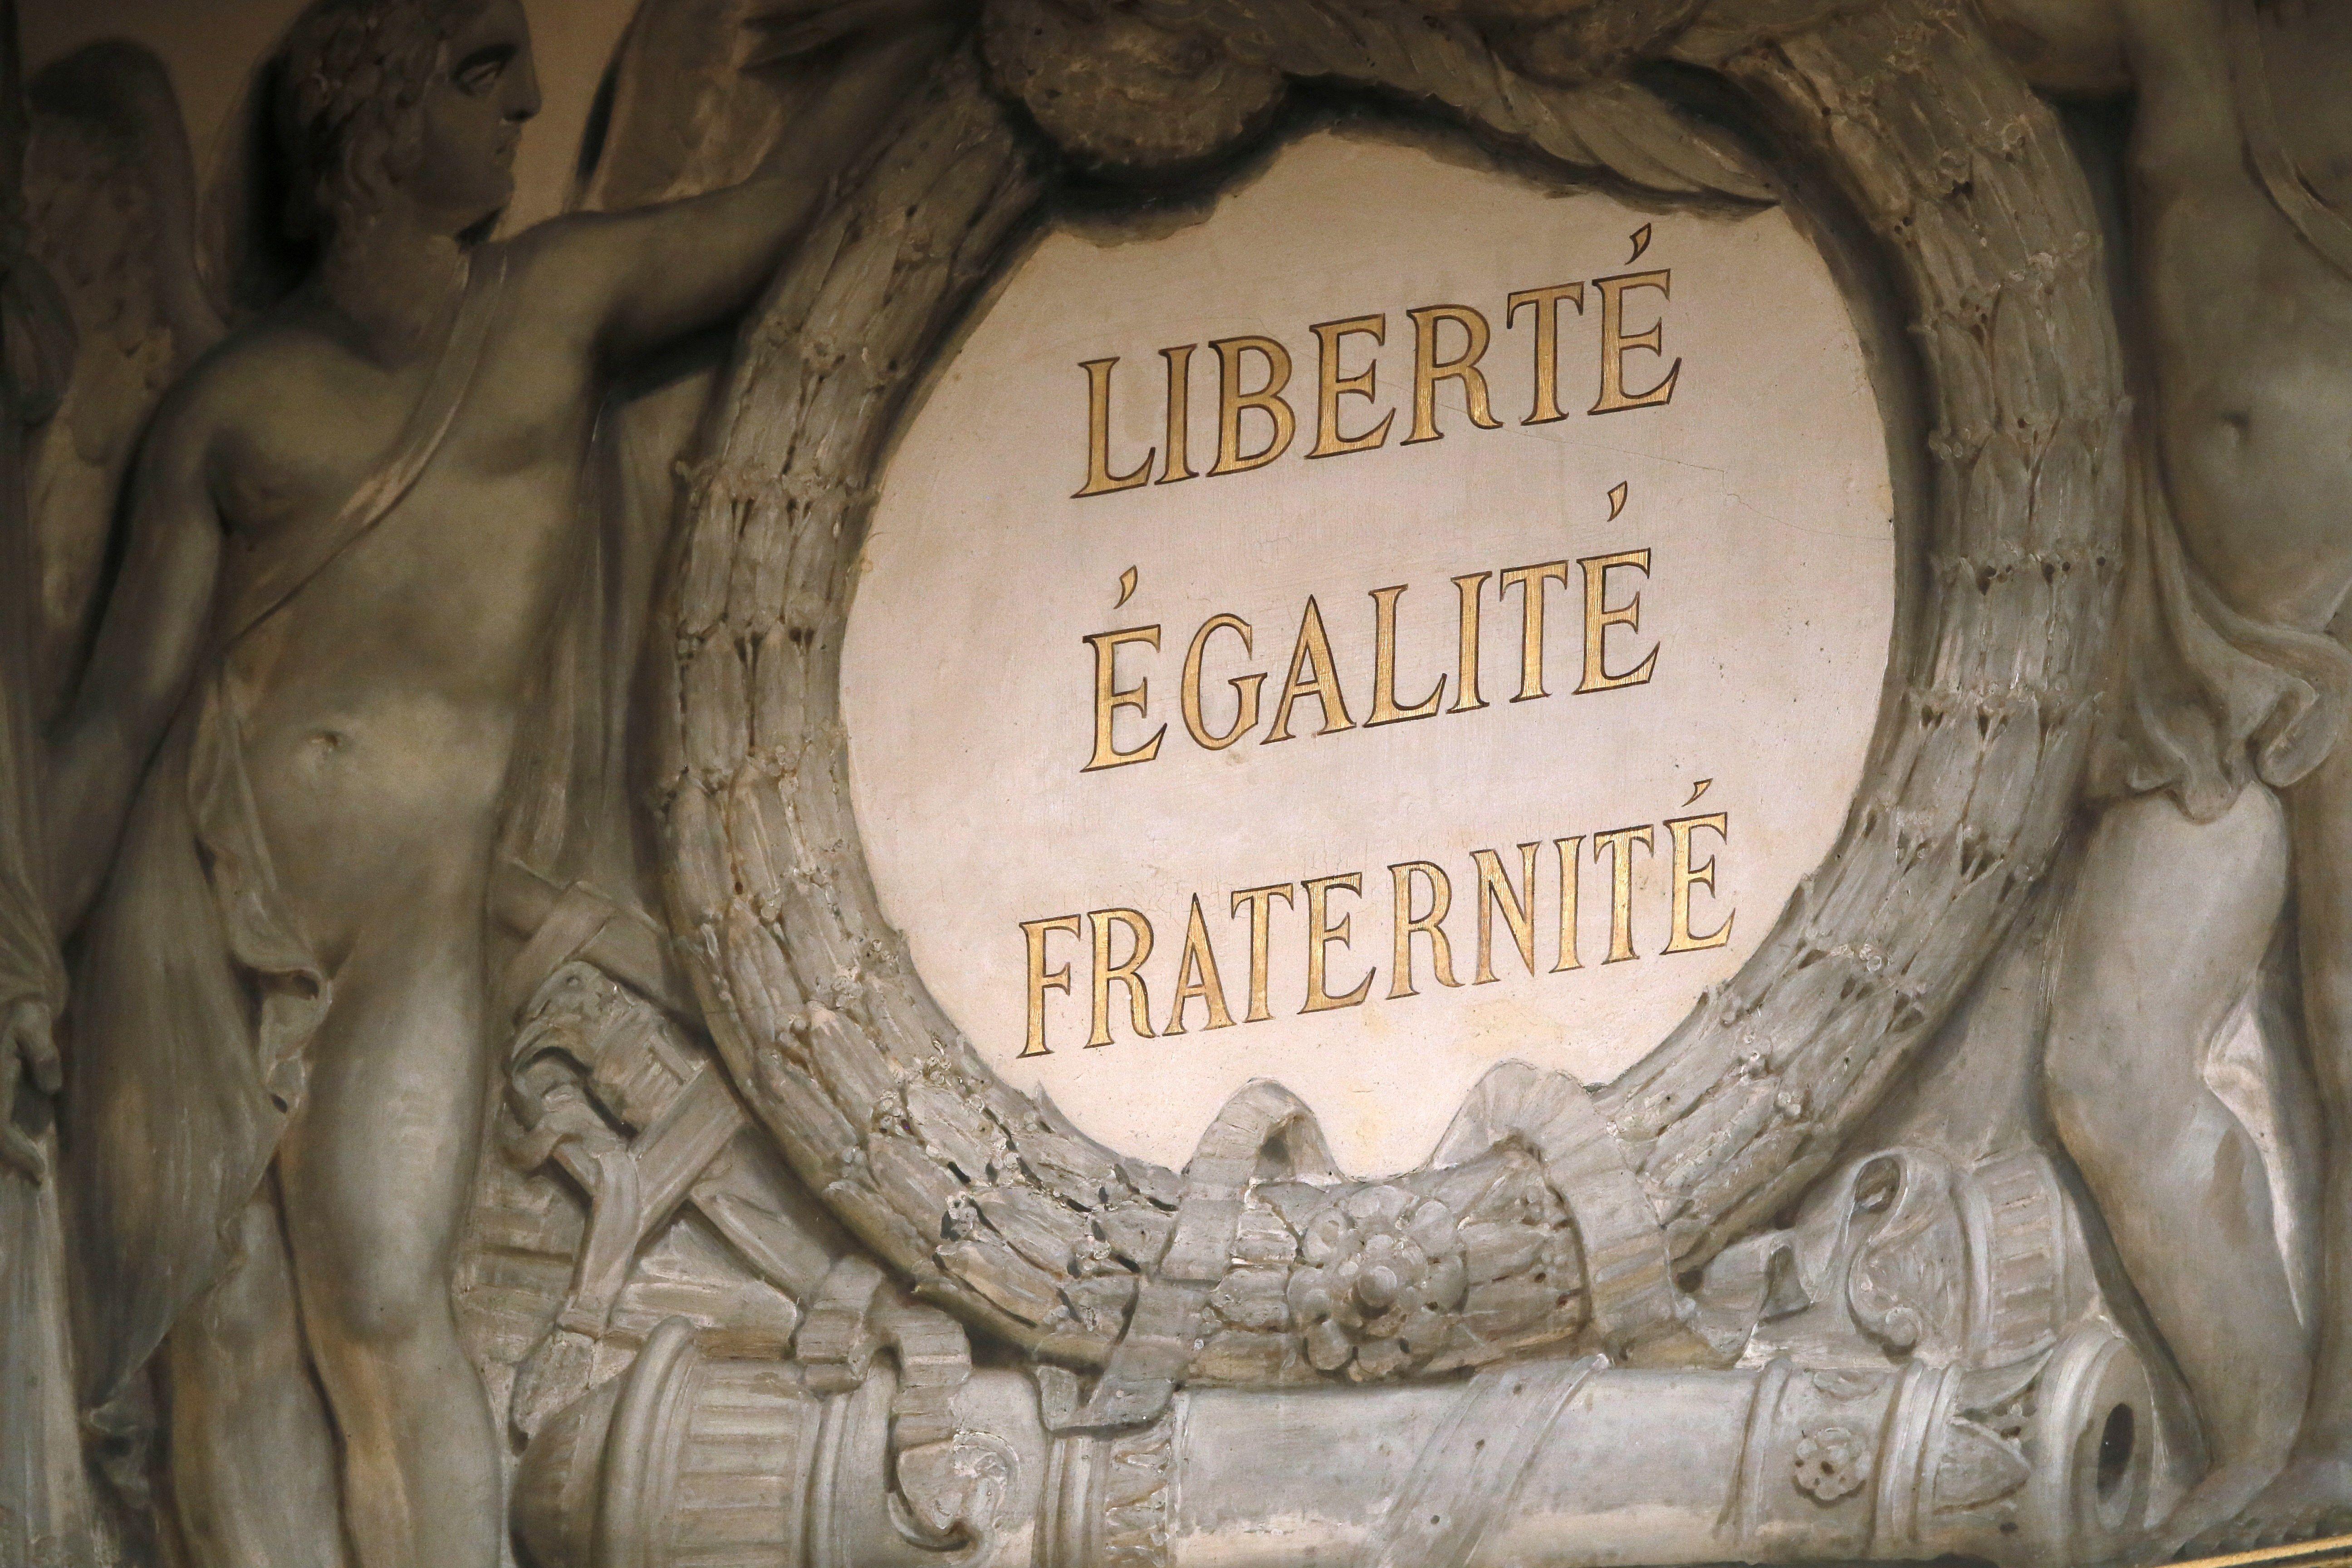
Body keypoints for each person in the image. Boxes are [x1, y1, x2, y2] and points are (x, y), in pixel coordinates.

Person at [39, 1, 948, 1563]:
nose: (529, 104)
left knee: (389, 1309)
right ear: (381, 119)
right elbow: (119, 718)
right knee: (228, 1330)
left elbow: (783, 205)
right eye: (480, 72)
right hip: (195, 915)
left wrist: (939, 29)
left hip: (408, 927)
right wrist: (19, 947)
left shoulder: (555, 308)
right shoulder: (231, 409)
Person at [1981, 0, 2352, 1549]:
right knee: (2108, 1065)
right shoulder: (2173, 25)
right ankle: (2264, 1443)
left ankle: (2338, 1442)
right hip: (2193, 620)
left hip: (2342, 602)